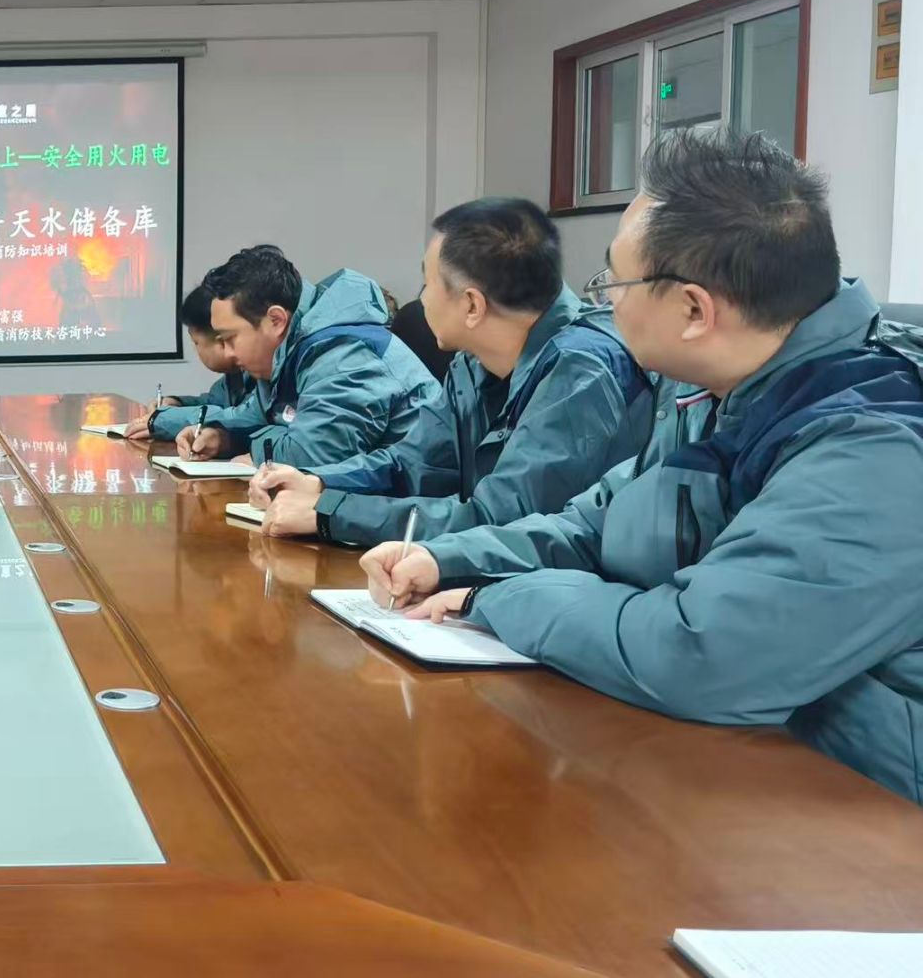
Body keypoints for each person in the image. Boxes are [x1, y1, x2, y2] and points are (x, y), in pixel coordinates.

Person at [364, 132, 923, 804]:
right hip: (729, 767)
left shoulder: (876, 442)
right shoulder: (715, 390)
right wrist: (446, 559)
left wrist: (496, 599)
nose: (603, 303)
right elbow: (599, 524)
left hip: (862, 814)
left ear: (694, 309)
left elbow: (701, 653)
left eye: (614, 283)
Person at [248, 198, 652, 546]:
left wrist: (330, 513)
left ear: (472, 306)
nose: (421, 300)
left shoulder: (580, 373)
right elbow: (412, 463)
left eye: (428, 283)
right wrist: (318, 482)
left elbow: (501, 522)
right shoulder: (474, 361)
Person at [175, 246, 440, 468]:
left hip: (414, 506)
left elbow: (312, 457)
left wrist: (255, 447)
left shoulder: (344, 355)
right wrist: (223, 437)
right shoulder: (287, 354)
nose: (228, 353)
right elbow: (255, 417)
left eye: (230, 338)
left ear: (276, 320)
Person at [125, 283, 249, 442]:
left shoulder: (260, 372)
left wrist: (166, 421)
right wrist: (177, 403)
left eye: (196, 341)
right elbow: (214, 402)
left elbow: (241, 416)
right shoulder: (233, 377)